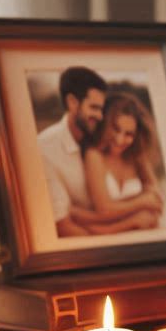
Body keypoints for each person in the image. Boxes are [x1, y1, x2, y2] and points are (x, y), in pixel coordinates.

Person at [36, 66, 107, 238]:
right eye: (94, 108)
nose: (100, 116)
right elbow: (62, 226)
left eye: (101, 109)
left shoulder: (103, 135)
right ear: (72, 102)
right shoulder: (45, 149)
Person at [81, 92, 164, 235]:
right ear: (105, 124)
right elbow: (104, 209)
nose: (120, 140)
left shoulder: (137, 156)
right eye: (116, 128)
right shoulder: (94, 155)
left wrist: (108, 217)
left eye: (129, 134)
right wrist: (138, 210)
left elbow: (157, 202)